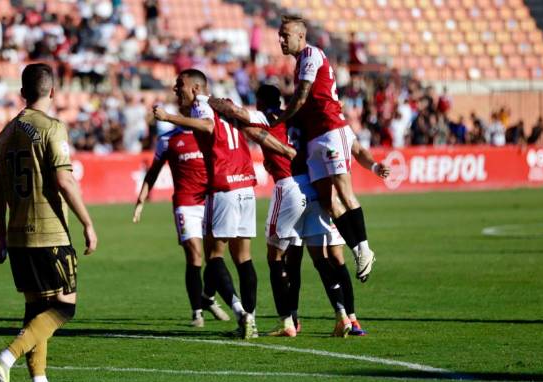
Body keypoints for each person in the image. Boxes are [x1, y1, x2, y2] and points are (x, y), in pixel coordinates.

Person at [209, 85, 368, 338]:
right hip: (314, 187)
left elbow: (233, 111)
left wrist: (208, 99)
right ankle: (342, 317)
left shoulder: (266, 116)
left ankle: (287, 323)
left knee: (275, 257)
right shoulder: (297, 116)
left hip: (289, 185)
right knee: (321, 258)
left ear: (261, 101)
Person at [0, 63, 98, 382]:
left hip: (18, 236)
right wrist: (88, 223)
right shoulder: (52, 128)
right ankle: (5, 358)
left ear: (22, 93)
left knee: (36, 312)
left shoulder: (5, 133)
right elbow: (64, 180)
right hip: (49, 234)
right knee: (64, 308)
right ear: (52, 91)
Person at [153, 69, 281, 339]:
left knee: (213, 257)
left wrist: (169, 117)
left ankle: (241, 314)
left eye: (180, 86)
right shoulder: (227, 105)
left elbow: (208, 127)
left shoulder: (202, 105)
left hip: (223, 187)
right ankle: (252, 320)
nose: (176, 91)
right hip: (246, 183)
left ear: (196, 89)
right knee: (243, 257)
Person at [274, 15, 389, 283]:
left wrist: (280, 118)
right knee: (327, 201)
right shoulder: (300, 62)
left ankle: (363, 248)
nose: (281, 39)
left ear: (301, 37)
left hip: (329, 131)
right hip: (317, 137)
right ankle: (359, 249)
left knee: (345, 192)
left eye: (286, 35)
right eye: (280, 34)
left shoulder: (312, 54)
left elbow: (302, 95)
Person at [132, 106, 231, 327]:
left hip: (211, 202)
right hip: (185, 205)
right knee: (195, 255)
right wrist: (140, 201)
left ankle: (208, 297)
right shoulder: (168, 140)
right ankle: (197, 312)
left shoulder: (208, 133)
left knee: (215, 257)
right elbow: (153, 171)